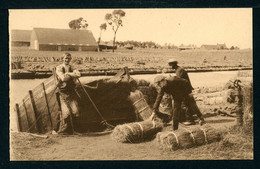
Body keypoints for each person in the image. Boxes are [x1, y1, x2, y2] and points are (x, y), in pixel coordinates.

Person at [168, 58, 205, 125]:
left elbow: (180, 81)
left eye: (170, 65)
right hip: (185, 90)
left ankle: (191, 120)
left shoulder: (179, 70)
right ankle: (198, 118)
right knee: (191, 104)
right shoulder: (178, 70)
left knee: (189, 104)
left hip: (186, 91)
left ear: (174, 64)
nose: (170, 67)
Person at [56, 53, 81, 134]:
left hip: (71, 91)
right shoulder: (59, 68)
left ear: (70, 59)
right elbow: (63, 78)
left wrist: (68, 74)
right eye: (65, 58)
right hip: (63, 92)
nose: (67, 60)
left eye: (68, 59)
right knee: (66, 112)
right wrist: (72, 75)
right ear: (62, 58)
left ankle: (75, 130)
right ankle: (66, 130)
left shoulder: (72, 67)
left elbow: (79, 74)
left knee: (76, 110)